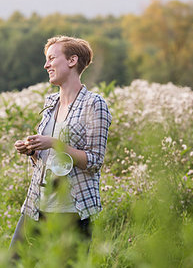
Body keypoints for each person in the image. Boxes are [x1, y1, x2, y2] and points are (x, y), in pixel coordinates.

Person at [10, 36, 112, 256]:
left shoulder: (94, 104)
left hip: (72, 211)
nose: (46, 65)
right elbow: (46, 160)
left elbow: (94, 161)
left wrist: (55, 143)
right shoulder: (50, 103)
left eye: (51, 58)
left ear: (72, 60)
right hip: (37, 206)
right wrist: (34, 150)